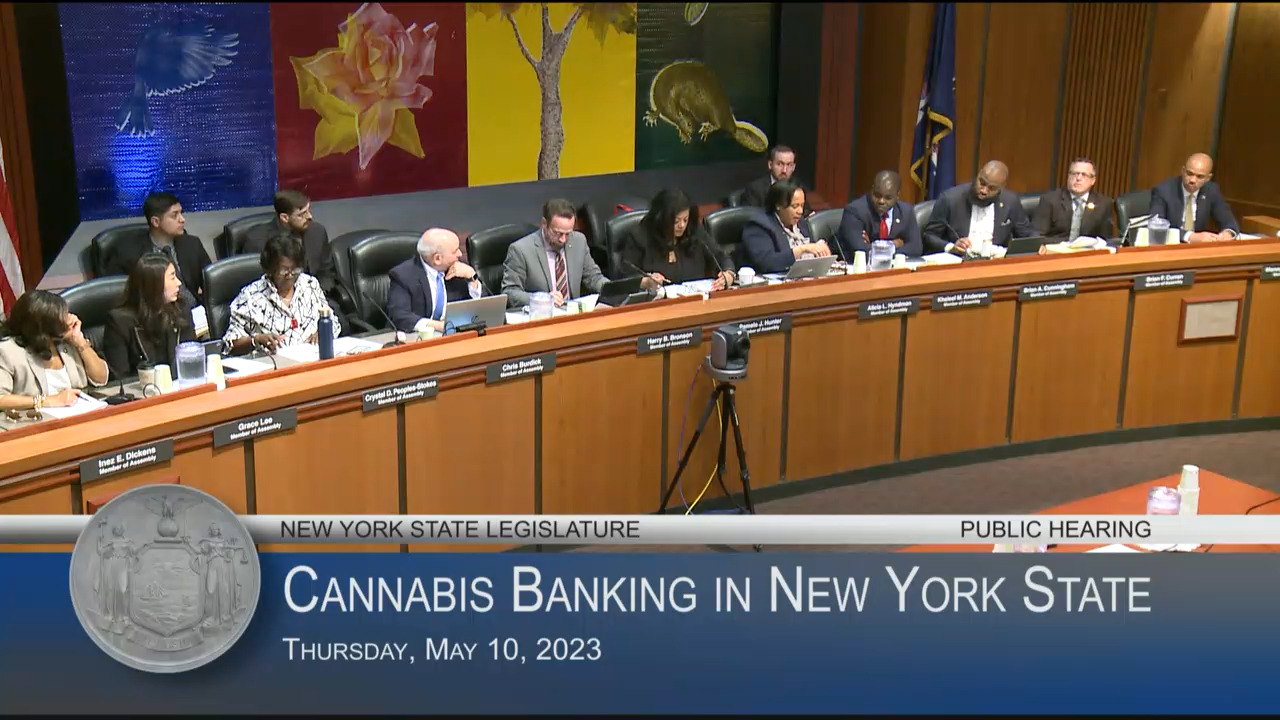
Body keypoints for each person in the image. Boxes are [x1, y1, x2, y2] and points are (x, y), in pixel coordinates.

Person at [222, 234, 341, 355]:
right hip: (273, 362)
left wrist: (323, 332)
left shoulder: (310, 284)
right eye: (284, 271)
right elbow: (230, 344)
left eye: (295, 269)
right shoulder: (251, 296)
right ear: (270, 270)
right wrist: (256, 340)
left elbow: (333, 322)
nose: (290, 275)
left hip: (314, 357)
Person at [0, 290, 108, 412]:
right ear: (43, 328)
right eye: (61, 317)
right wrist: (48, 400)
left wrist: (80, 341)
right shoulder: (8, 351)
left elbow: (101, 379)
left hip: (79, 414)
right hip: (36, 420)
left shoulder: (67, 342)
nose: (68, 319)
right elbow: (1, 399)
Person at [101, 191, 212, 306]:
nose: (182, 219)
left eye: (181, 213)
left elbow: (211, 282)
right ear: (156, 221)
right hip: (154, 312)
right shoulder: (128, 252)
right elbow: (116, 295)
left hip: (194, 309)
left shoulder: (192, 244)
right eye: (174, 215)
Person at [619, 188, 735, 291]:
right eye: (676, 221)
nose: (682, 225)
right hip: (657, 303)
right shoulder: (640, 236)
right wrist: (646, 282)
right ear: (661, 218)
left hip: (697, 299)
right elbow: (626, 277)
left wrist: (729, 275)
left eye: (685, 219)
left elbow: (721, 256)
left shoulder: (694, 231)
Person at [241, 189, 341, 307]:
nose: (309, 216)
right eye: (301, 214)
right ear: (284, 218)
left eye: (308, 210)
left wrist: (315, 293)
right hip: (275, 303)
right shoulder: (257, 240)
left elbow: (327, 272)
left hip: (314, 298)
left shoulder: (317, 231)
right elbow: (258, 282)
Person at [501, 198, 609, 309]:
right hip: (542, 314)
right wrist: (542, 299)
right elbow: (510, 292)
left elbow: (593, 278)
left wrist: (612, 289)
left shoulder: (578, 241)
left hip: (573, 314)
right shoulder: (521, 250)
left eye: (568, 234)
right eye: (558, 233)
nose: (563, 239)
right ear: (544, 224)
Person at [102, 253, 197, 376]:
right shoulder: (120, 322)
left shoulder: (181, 309)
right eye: (172, 277)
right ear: (154, 283)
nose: (179, 283)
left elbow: (191, 356)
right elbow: (120, 377)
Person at [923, 160, 1036, 254]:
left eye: (991, 188)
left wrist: (1038, 244)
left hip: (995, 263)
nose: (984, 191)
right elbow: (929, 236)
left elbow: (1027, 233)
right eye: (982, 183)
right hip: (959, 260)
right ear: (978, 175)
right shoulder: (950, 199)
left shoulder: (1010, 201)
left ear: (1001, 187)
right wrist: (951, 247)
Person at [386, 228, 485, 334]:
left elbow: (484, 308)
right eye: (455, 251)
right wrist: (442, 326)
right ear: (437, 259)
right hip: (420, 337)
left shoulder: (458, 267)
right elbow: (400, 316)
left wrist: (472, 278)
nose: (460, 254)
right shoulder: (403, 275)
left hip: (456, 335)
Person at [741, 179, 828, 274]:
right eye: (795, 206)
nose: (800, 211)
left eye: (802, 206)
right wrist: (801, 250)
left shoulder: (801, 223)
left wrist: (820, 251)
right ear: (778, 205)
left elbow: (811, 248)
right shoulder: (759, 226)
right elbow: (767, 263)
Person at [1149, 152, 1239, 243]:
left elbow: (1228, 220)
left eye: (1200, 176)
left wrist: (1227, 233)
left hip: (1199, 247)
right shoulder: (1163, 191)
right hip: (1171, 245)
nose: (1192, 180)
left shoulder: (1211, 191)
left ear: (1208, 178)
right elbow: (1156, 226)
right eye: (1189, 173)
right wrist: (1190, 236)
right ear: (1183, 171)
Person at [835, 170, 923, 259]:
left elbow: (916, 248)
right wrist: (894, 244)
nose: (881, 201)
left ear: (897, 196)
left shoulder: (906, 211)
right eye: (877, 195)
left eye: (888, 198)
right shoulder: (855, 211)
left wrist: (878, 247)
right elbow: (860, 251)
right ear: (872, 190)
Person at [1033, 157, 1115, 242]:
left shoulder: (1103, 204)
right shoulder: (1050, 200)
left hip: (1087, 249)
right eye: (1074, 174)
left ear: (1093, 180)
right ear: (1068, 176)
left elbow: (1106, 239)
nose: (1078, 178)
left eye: (1084, 175)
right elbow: (1037, 235)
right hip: (1056, 247)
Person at [739, 145, 813, 216]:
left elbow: (806, 212)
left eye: (789, 165)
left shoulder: (798, 186)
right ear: (770, 165)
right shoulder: (755, 189)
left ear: (793, 167)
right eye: (780, 164)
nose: (784, 170)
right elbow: (750, 218)